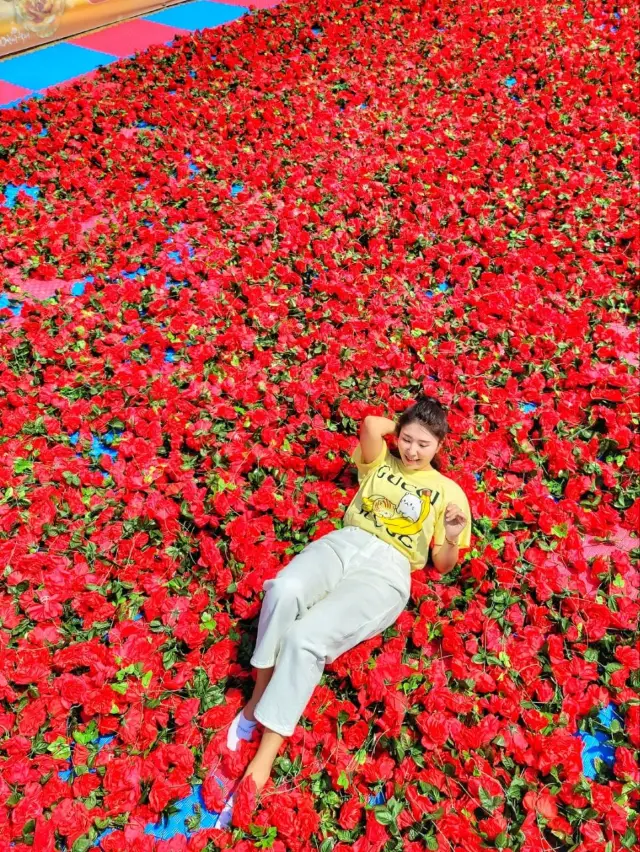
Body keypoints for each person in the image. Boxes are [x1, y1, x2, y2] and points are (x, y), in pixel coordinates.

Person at [215, 395, 472, 827]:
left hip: (389, 568)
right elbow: (372, 424)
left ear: (440, 445)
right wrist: (408, 423)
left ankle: (262, 760)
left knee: (305, 638)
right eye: (407, 439)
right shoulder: (380, 462)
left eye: (424, 445)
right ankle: (258, 700)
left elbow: (443, 565)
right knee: (283, 589)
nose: (411, 450)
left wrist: (448, 534)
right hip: (345, 542)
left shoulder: (451, 493)